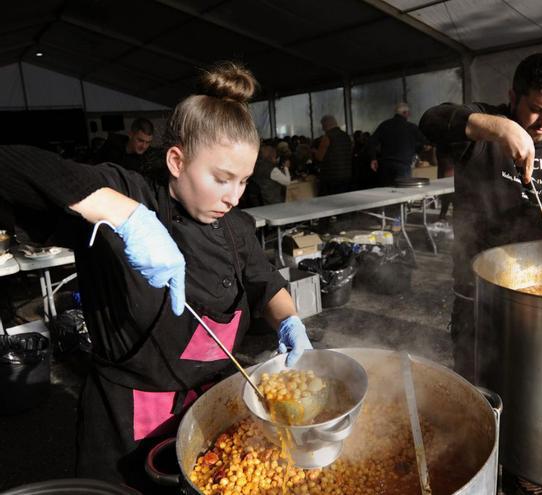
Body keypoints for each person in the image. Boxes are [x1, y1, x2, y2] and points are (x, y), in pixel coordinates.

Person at [0, 62, 312, 490]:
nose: (233, 196)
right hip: (125, 420)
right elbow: (10, 167)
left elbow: (265, 280)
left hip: (208, 409)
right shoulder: (126, 193)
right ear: (176, 160)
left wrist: (290, 319)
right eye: (221, 179)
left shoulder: (235, 226)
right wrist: (124, 216)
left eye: (242, 181)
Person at [420, 53, 542, 382]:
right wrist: (500, 128)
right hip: (479, 292)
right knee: (478, 386)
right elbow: (431, 120)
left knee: (535, 384)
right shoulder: (482, 129)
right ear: (512, 97)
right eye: (535, 108)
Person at [370, 103, 429, 185]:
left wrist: (373, 158)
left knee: (387, 191)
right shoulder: (411, 127)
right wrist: (420, 149)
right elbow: (425, 143)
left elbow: (371, 142)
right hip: (403, 165)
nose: (409, 115)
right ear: (405, 113)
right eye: (408, 113)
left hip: (385, 166)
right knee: (403, 192)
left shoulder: (384, 125)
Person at [94, 118, 160, 174]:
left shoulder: (149, 157)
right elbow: (96, 167)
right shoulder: (112, 146)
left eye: (148, 142)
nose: (144, 146)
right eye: (140, 140)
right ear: (130, 135)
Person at [313, 115, 353, 195]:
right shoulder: (346, 136)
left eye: (322, 126)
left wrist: (314, 151)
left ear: (326, 125)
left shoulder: (327, 137)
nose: (322, 128)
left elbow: (319, 157)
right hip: (347, 175)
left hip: (331, 178)